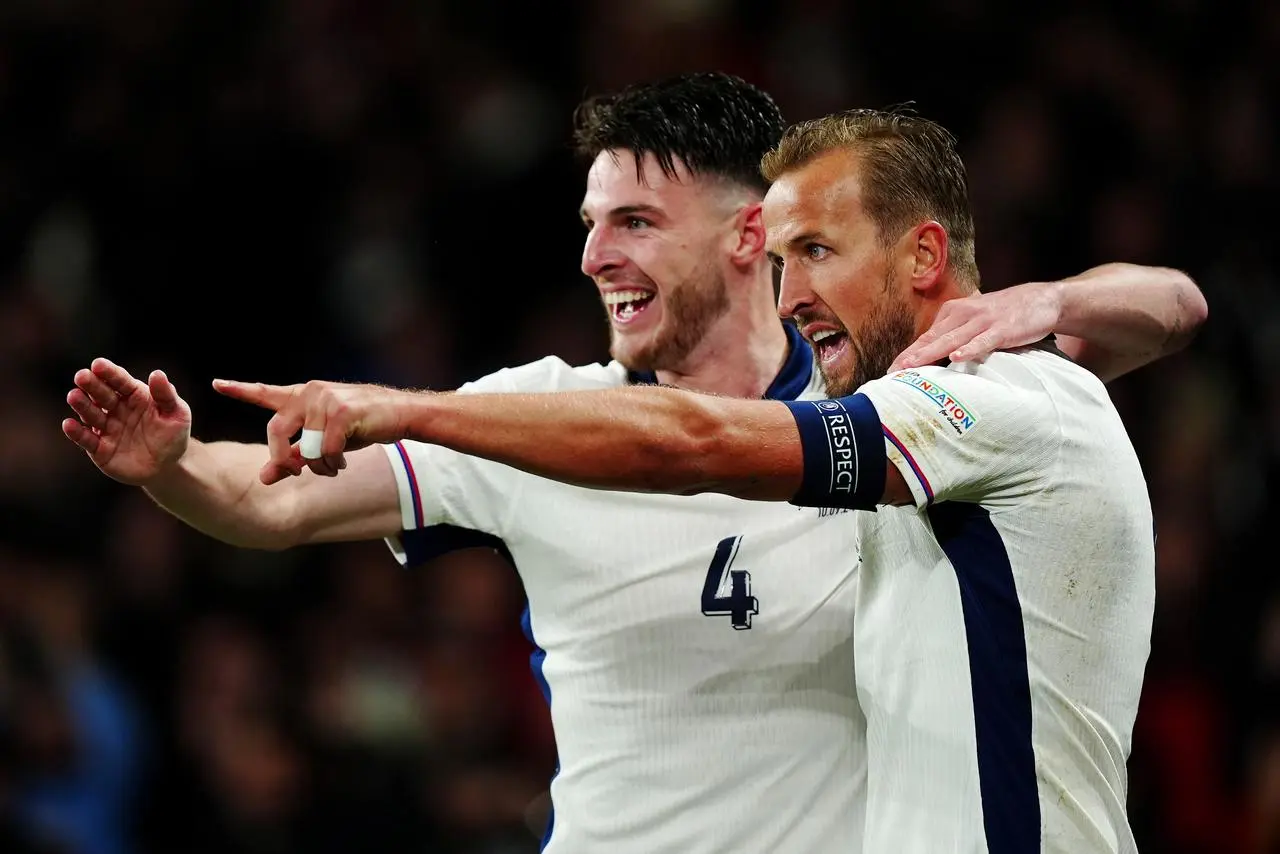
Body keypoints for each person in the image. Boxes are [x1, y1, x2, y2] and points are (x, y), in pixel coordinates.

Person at [63, 77, 1203, 852]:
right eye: (589, 220)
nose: (593, 253)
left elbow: (1171, 303)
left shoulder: (900, 419)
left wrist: (1051, 296)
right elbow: (270, 507)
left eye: (636, 222)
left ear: (745, 236)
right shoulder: (533, 418)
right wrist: (172, 468)